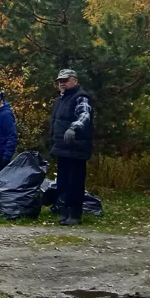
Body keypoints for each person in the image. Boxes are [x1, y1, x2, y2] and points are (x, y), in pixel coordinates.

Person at [50, 69, 93, 226]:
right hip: (62, 147)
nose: (62, 83)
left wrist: (73, 128)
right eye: (60, 80)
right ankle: (65, 212)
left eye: (65, 80)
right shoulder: (60, 100)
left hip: (76, 148)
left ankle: (75, 214)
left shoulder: (80, 96)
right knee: (63, 182)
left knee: (75, 182)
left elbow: (84, 115)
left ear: (74, 80)